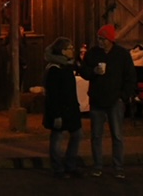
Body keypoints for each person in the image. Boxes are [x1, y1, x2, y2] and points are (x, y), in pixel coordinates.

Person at [80, 24, 136, 179]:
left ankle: (118, 166)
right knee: (96, 135)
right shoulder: (93, 53)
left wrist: (123, 96)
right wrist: (93, 72)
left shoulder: (121, 55)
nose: (101, 42)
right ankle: (97, 166)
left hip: (114, 101)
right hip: (97, 99)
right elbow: (83, 71)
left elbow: (130, 76)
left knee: (117, 135)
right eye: (99, 38)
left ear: (111, 39)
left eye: (103, 39)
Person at [42, 37, 82, 178]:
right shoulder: (54, 69)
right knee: (57, 137)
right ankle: (58, 168)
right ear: (63, 51)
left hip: (71, 108)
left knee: (76, 134)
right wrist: (56, 114)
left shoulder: (67, 66)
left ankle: (70, 165)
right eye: (70, 48)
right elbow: (53, 94)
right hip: (60, 109)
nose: (72, 50)